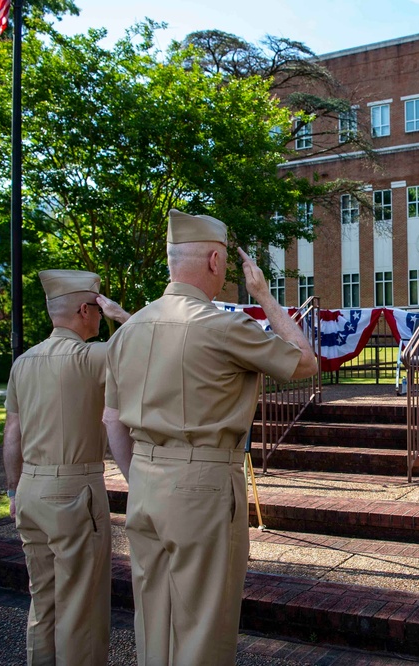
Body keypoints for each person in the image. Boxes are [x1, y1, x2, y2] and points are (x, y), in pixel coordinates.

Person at [102, 209, 318, 666]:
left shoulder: (129, 331)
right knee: (203, 630)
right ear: (216, 262)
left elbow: (111, 420)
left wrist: (140, 476)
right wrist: (263, 293)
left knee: (153, 624)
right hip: (202, 486)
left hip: (143, 480)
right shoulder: (222, 326)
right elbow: (305, 361)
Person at [3, 269, 131, 666]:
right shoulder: (94, 356)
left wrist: (12, 490)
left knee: (44, 602)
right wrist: (122, 317)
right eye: (97, 307)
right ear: (84, 309)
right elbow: (148, 342)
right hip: (75, 492)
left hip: (28, 490)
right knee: (82, 608)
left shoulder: (23, 363)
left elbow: (12, 433)